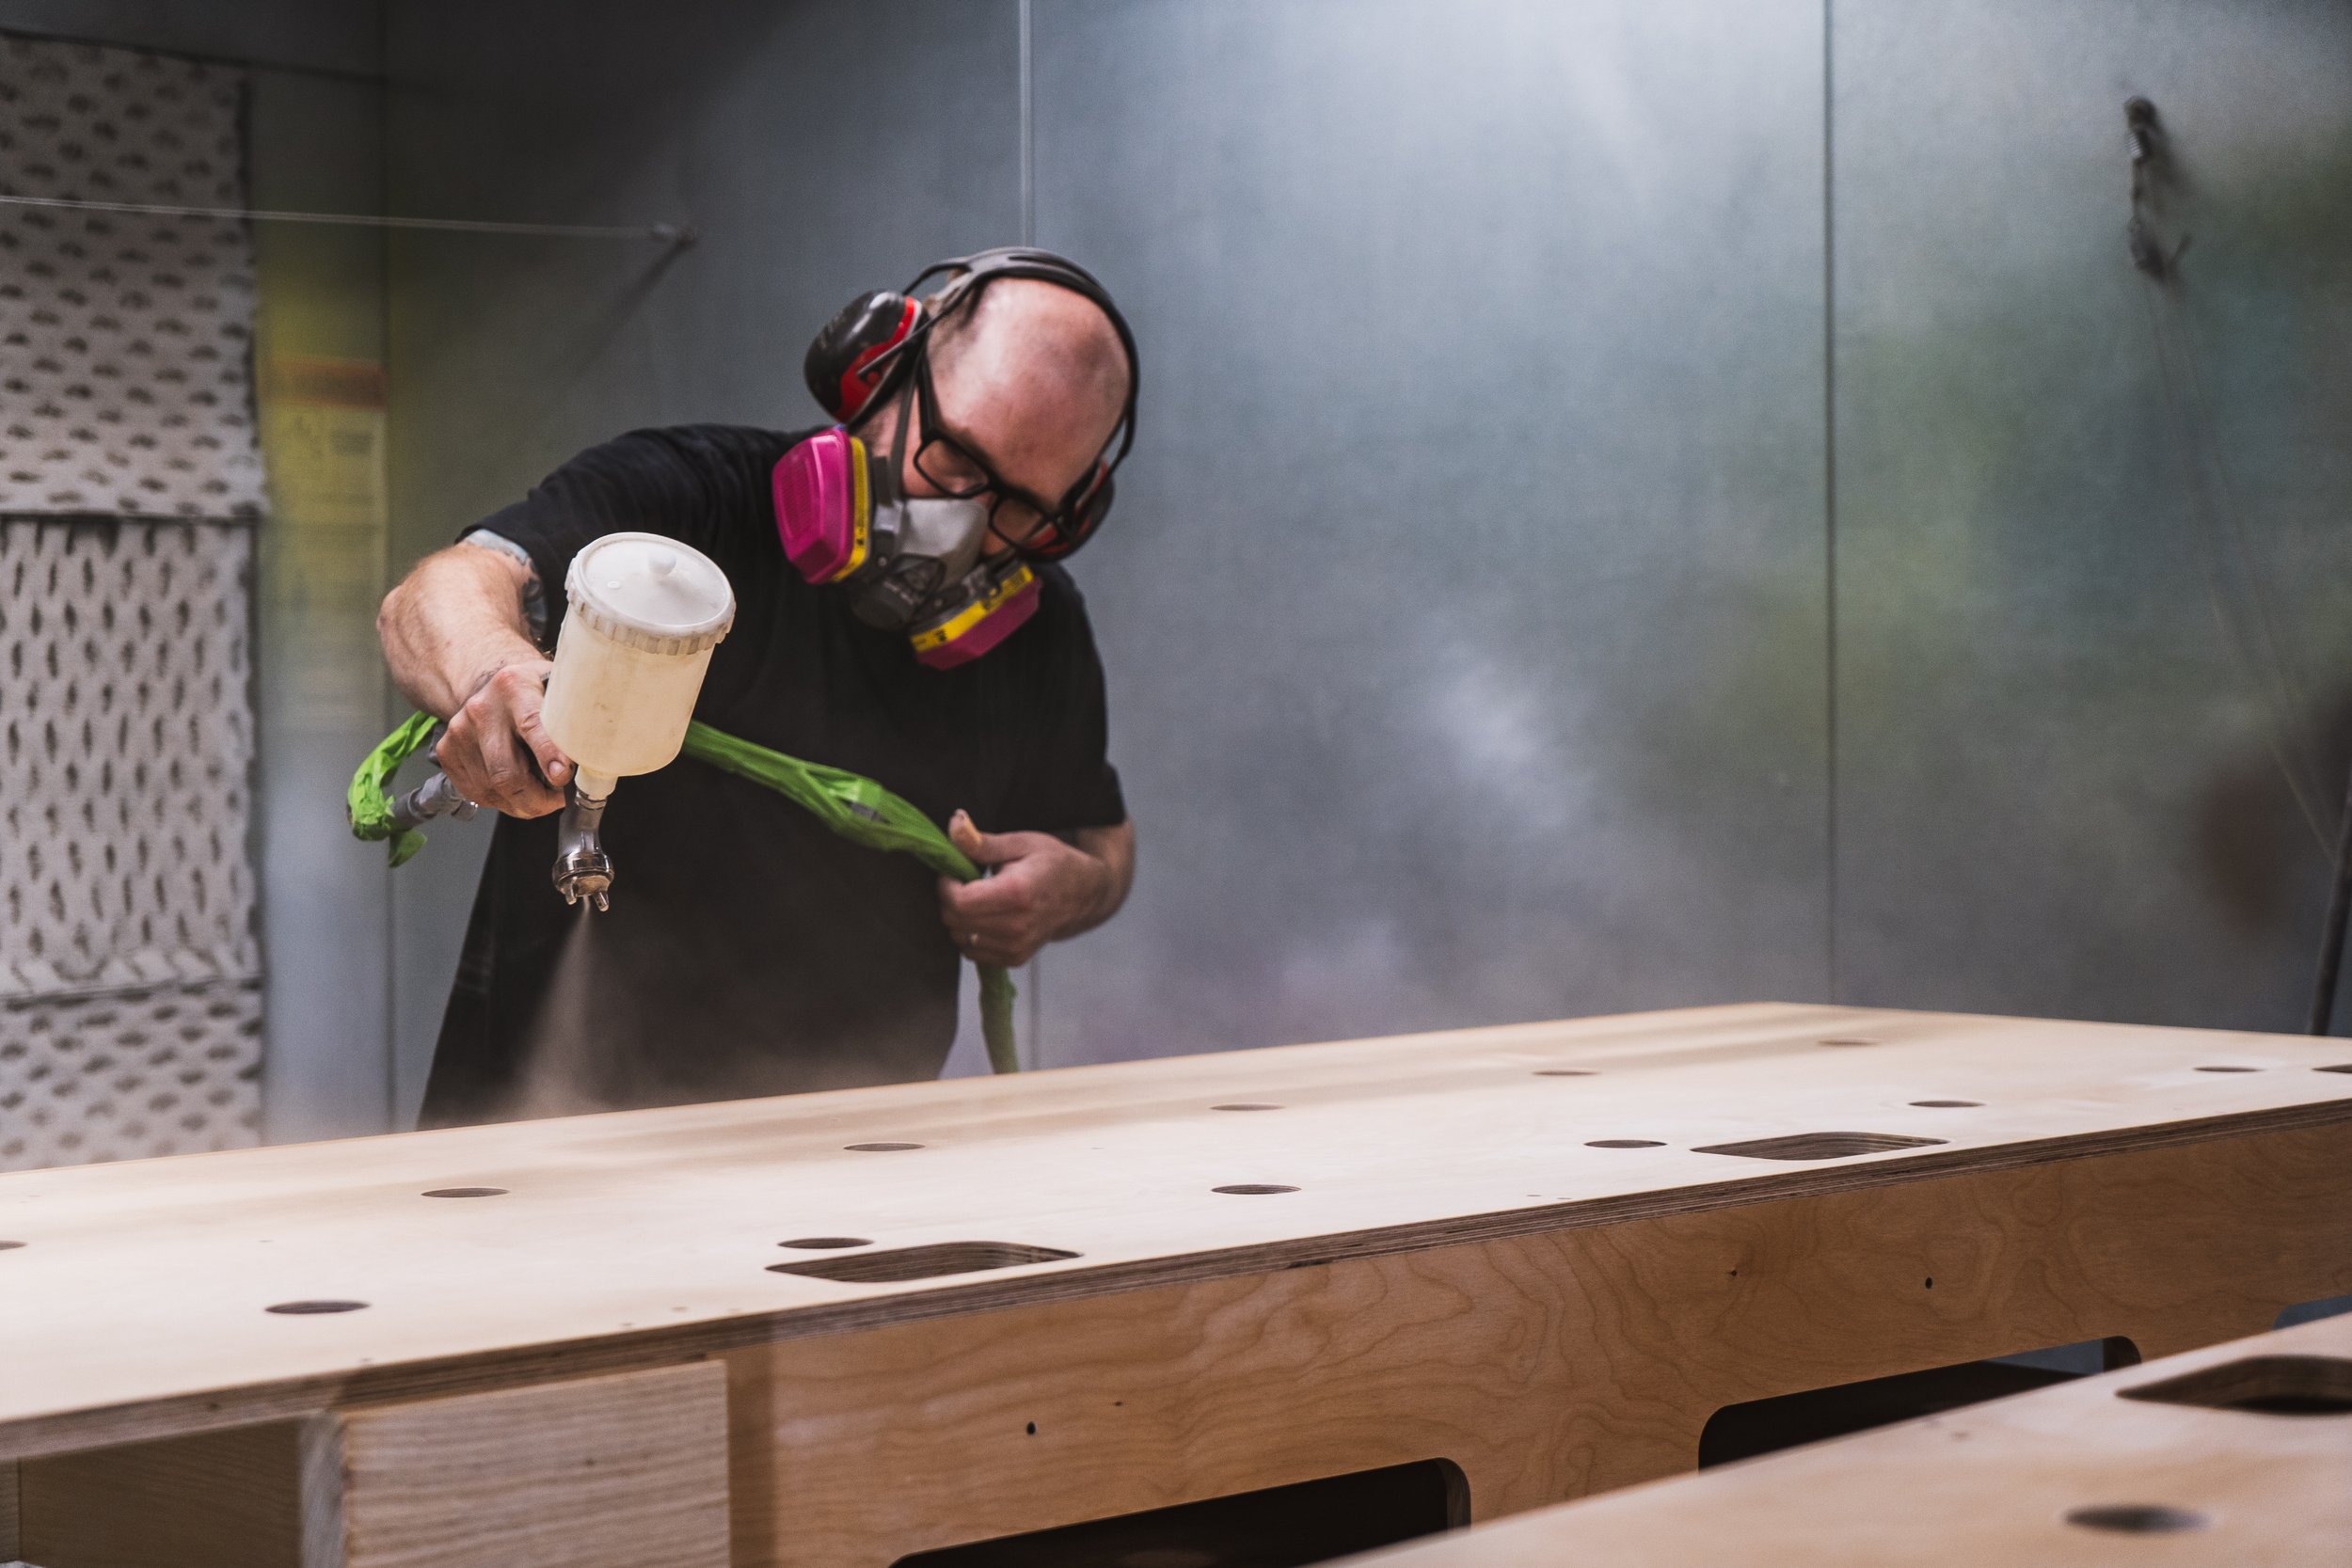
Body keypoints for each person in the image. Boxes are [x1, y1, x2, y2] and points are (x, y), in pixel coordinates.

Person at [377, 249, 1138, 1123]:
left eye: (1017, 507)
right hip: (542, 1127)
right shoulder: (686, 503)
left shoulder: (1040, 633)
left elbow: (1105, 841)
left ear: (1069, 517)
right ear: (881, 367)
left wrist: (1073, 888)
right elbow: (433, 594)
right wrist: (493, 667)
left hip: (858, 1153)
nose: (962, 523)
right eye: (955, 458)